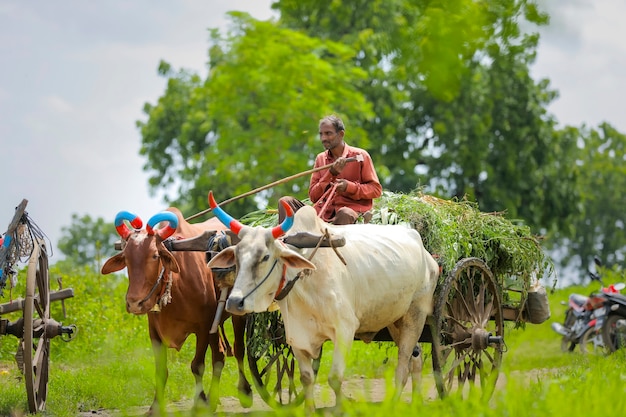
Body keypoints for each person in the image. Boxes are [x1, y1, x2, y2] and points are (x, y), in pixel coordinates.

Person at [279, 115, 382, 225]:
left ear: (341, 134)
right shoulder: (320, 158)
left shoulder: (360, 156)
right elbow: (313, 197)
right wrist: (330, 174)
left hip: (348, 213)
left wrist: (349, 187)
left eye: (328, 133)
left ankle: (329, 239)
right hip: (321, 214)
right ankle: (285, 238)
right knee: (285, 202)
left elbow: (375, 190)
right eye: (321, 134)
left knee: (345, 213)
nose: (323, 138)